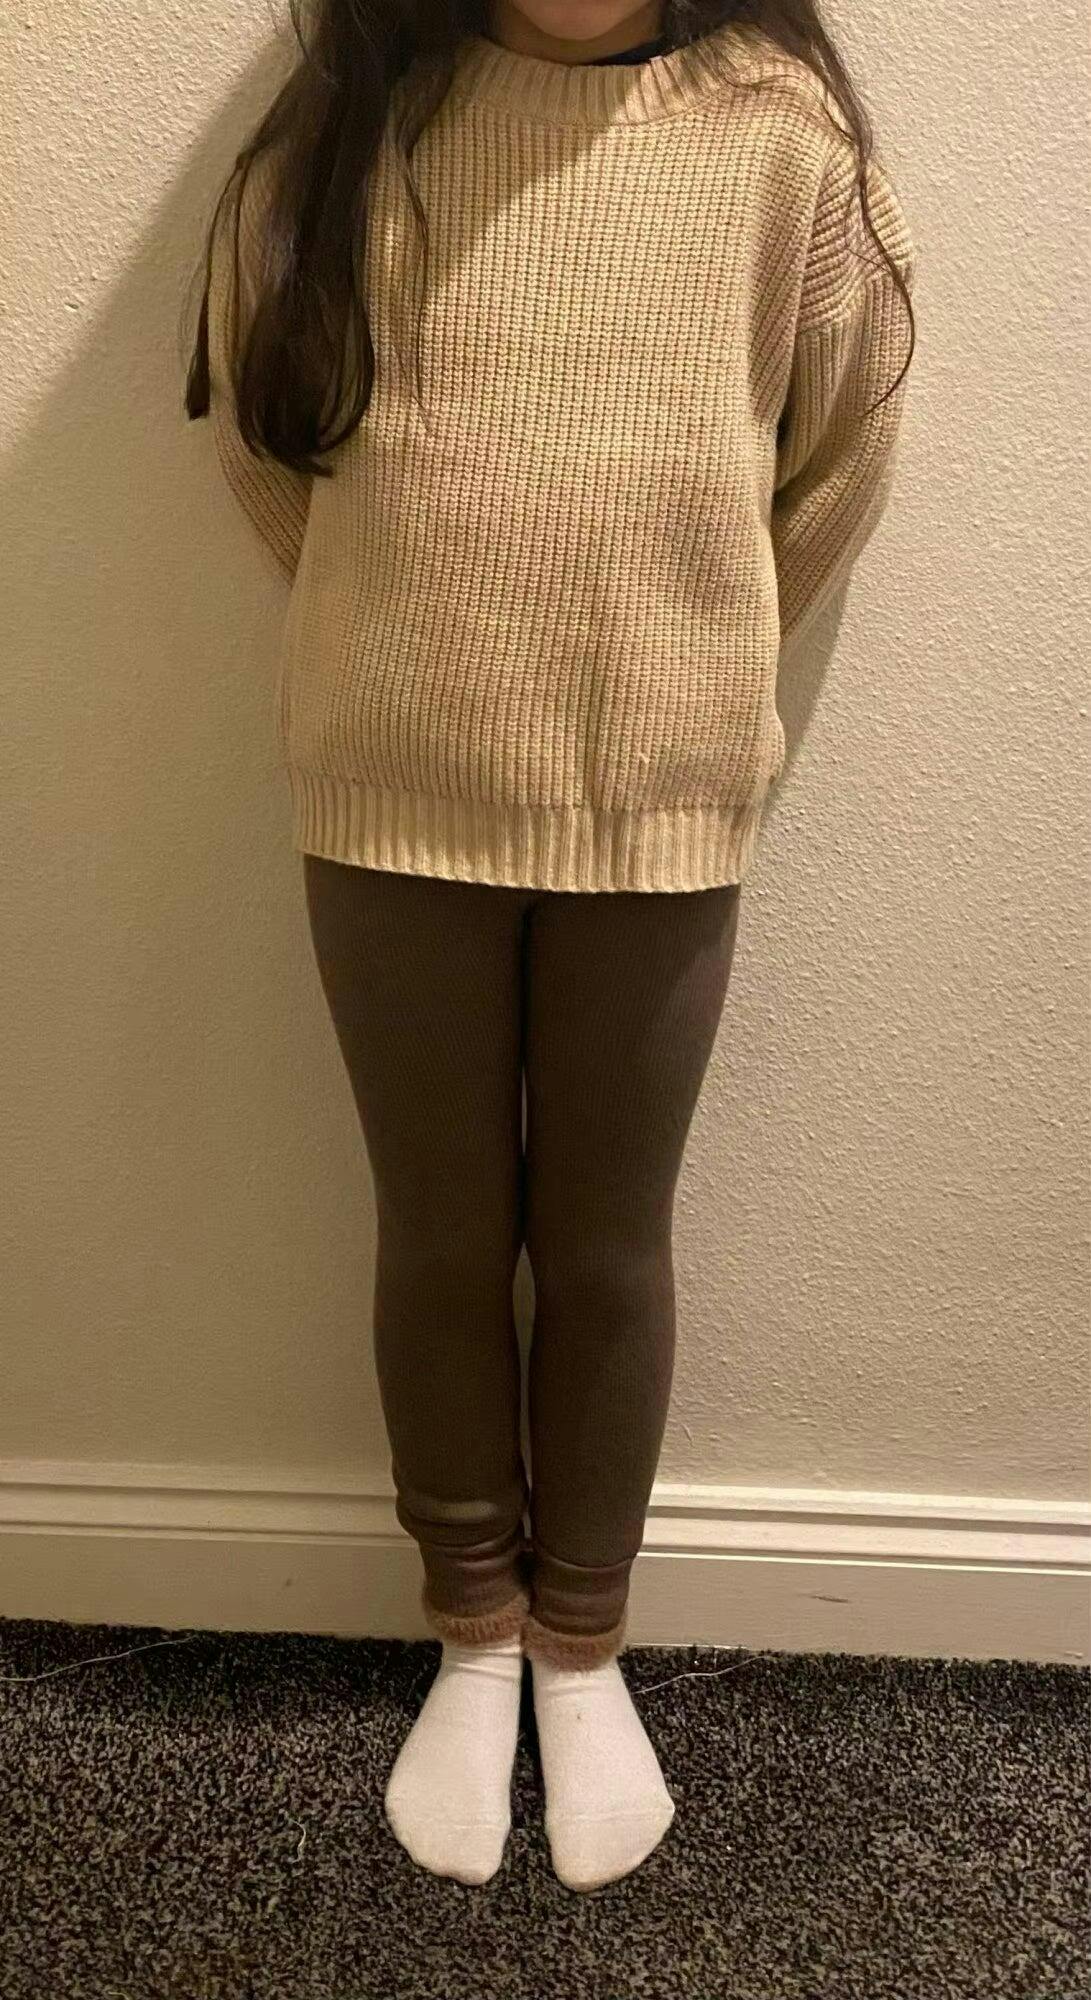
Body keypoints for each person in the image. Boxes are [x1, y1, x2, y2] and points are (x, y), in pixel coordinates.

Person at [185, 0, 916, 1893]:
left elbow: (840, 452)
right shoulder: (344, 130)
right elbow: (266, 441)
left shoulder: (781, 141)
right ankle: (476, 1630)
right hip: (388, 785)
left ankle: (583, 1643)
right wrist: (405, 638)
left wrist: (684, 645)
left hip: (660, 796)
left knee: (604, 1243)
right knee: (439, 1232)